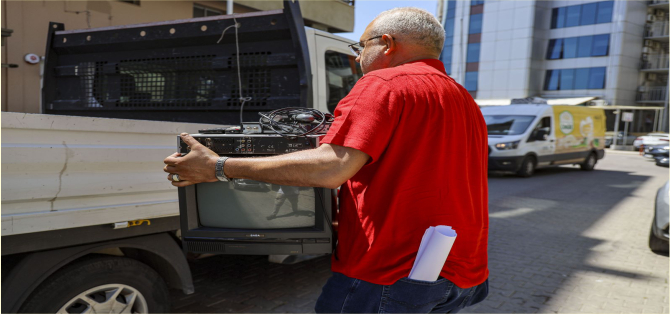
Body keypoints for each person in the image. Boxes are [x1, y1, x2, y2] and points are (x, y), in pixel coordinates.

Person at [163, 7, 489, 313]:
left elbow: (332, 166)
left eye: (360, 47)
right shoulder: (464, 100)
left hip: (391, 273)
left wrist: (219, 167)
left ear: (387, 44)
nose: (357, 57)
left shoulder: (382, 84)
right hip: (462, 272)